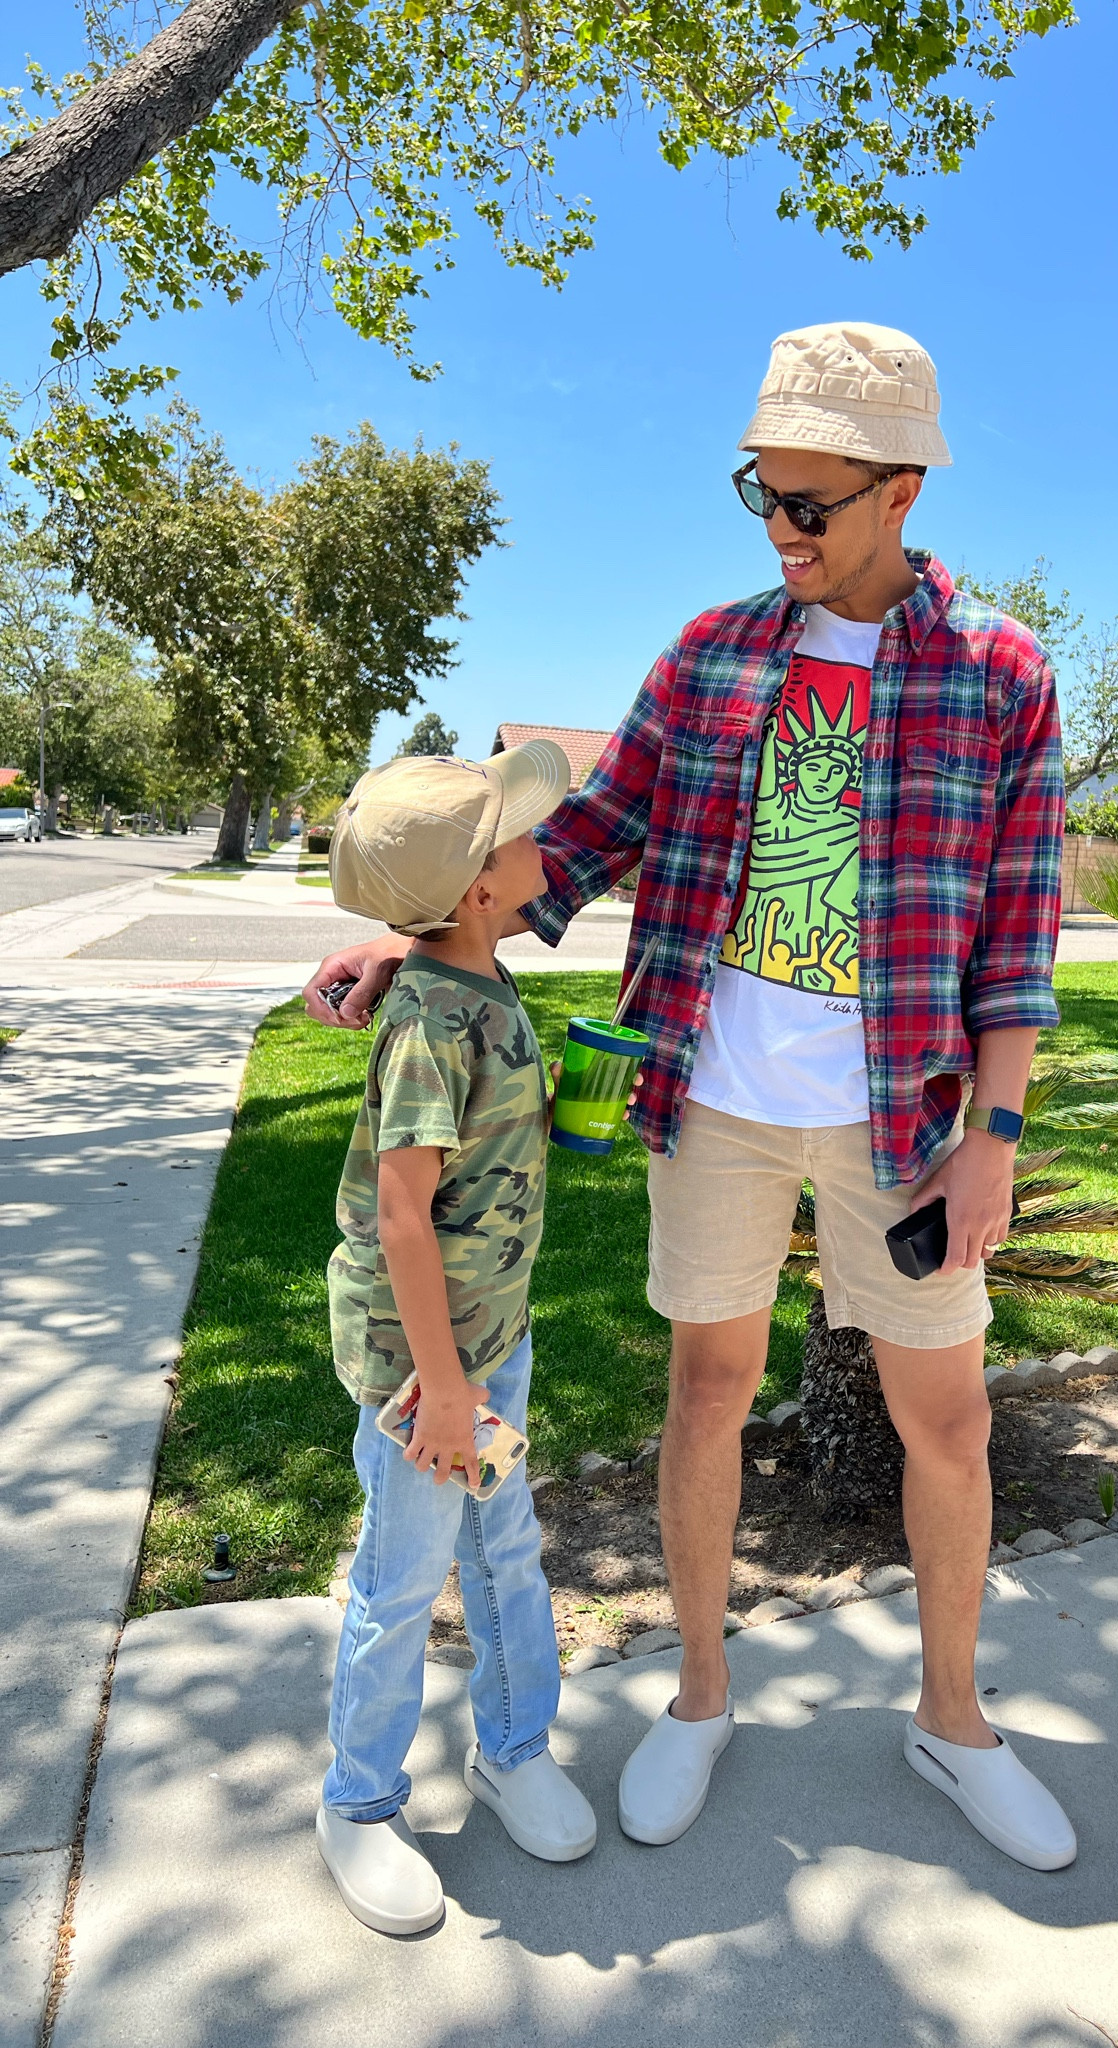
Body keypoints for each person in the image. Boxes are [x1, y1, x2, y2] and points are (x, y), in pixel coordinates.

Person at [305, 320, 1075, 1871]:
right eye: (763, 498)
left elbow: (1022, 929)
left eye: (813, 504)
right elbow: (589, 833)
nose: (782, 531)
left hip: (906, 1115)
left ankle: (952, 1722)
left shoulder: (1000, 672)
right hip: (716, 1095)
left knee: (948, 1418)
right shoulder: (714, 653)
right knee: (706, 1394)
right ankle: (703, 1698)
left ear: (902, 490)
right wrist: (421, 944)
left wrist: (994, 1134)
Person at [316, 737, 599, 1937]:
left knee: (507, 1553)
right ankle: (360, 1799)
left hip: (491, 1342)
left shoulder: (478, 978)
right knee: (402, 1576)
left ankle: (514, 1744)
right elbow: (400, 1212)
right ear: (481, 886)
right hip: (422, 1368)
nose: (552, 842)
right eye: (523, 833)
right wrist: (438, 1384)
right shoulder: (435, 1017)